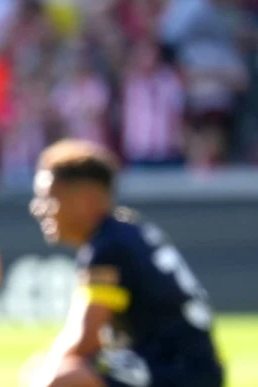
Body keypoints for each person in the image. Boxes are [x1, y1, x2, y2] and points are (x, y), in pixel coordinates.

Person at [28, 140, 224, 387]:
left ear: (86, 199)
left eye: (50, 197)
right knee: (48, 370)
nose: (38, 208)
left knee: (60, 379)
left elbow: (85, 339)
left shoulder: (109, 247)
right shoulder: (124, 234)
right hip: (184, 367)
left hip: (178, 371)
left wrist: (41, 375)